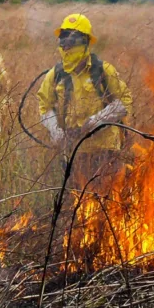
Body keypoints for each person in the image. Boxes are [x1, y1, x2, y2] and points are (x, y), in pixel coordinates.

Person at [37, 13, 132, 182]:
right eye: (62, 40)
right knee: (78, 203)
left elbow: (124, 100)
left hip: (105, 151)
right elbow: (44, 105)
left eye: (71, 41)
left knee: (108, 199)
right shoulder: (56, 75)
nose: (66, 46)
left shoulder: (104, 71)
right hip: (74, 153)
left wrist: (97, 120)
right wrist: (55, 130)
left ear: (85, 42)